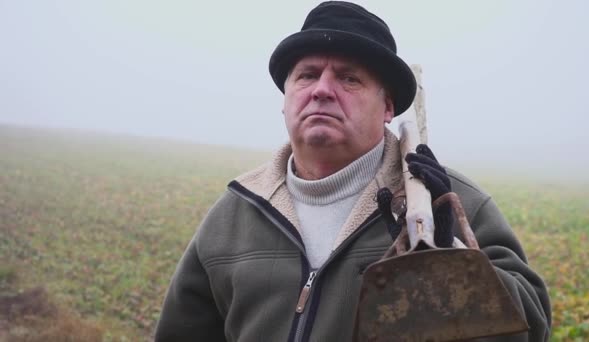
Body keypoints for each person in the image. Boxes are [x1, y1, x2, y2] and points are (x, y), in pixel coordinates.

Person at [154, 1, 551, 341]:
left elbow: (531, 328)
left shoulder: (449, 203)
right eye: (307, 75)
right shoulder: (235, 213)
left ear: (388, 108)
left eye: (349, 78)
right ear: (286, 98)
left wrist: (453, 259)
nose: (322, 90)